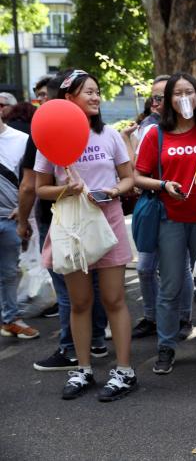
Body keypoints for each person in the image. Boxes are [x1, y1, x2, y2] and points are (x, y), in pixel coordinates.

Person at [35, 69, 137, 401]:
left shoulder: (109, 135)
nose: (94, 97)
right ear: (69, 99)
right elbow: (41, 189)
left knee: (113, 299)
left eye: (96, 91)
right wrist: (66, 190)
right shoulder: (49, 136)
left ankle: (124, 370)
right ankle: (83, 369)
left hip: (108, 224)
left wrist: (112, 189)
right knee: (79, 302)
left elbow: (128, 179)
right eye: (87, 92)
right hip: (71, 228)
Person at [134, 72, 196, 375]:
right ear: (167, 99)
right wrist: (162, 184)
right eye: (177, 93)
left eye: (190, 91)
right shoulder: (155, 134)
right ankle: (166, 347)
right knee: (170, 287)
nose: (184, 97)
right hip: (170, 219)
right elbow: (137, 176)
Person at [22, 73, 109, 371]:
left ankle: (76, 346)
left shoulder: (102, 134)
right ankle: (83, 346)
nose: (44, 103)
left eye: (46, 96)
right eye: (40, 98)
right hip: (58, 221)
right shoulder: (45, 131)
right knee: (75, 293)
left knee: (82, 293)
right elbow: (36, 185)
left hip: (90, 221)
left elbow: (123, 174)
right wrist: (64, 191)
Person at [124, 75, 194, 341]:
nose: (157, 102)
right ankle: (152, 317)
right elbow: (134, 170)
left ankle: (183, 318)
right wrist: (126, 139)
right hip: (152, 205)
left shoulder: (190, 129)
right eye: (153, 97)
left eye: (163, 97)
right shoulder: (147, 128)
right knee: (144, 267)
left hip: (177, 209)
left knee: (179, 269)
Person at [1, 109, 39, 340]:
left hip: (8, 217)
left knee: (8, 272)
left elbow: (30, 182)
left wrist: (23, 211)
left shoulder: (21, 140)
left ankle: (10, 319)